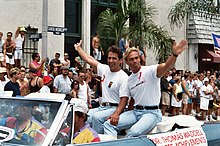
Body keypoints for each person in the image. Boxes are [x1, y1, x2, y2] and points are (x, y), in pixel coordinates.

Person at [104, 40, 188, 137]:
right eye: (131, 59)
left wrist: (174, 55)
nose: (135, 61)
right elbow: (130, 100)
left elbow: (166, 66)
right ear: (126, 61)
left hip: (152, 113)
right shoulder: (129, 80)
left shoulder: (150, 71)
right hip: (135, 112)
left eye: (137, 58)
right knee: (108, 124)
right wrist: (116, 114)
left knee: (133, 132)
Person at [74, 40, 129, 134]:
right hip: (102, 107)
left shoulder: (123, 77)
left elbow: (124, 99)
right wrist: (79, 49)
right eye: (109, 58)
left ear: (120, 60)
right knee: (87, 115)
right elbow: (89, 59)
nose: (111, 61)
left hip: (114, 108)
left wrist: (116, 114)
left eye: (114, 58)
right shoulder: (105, 69)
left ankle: (98, 142)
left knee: (96, 118)